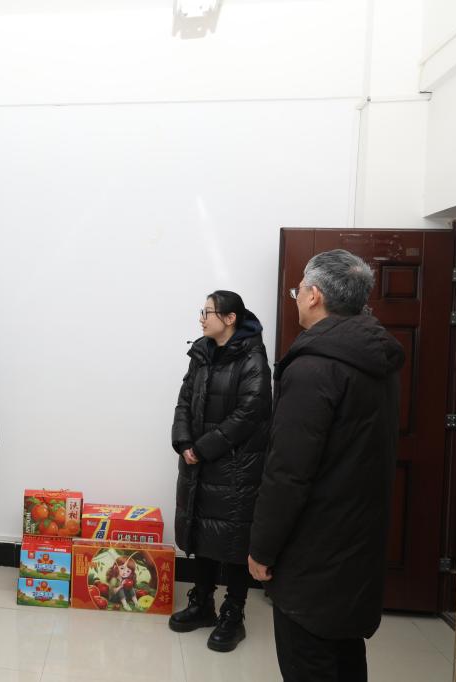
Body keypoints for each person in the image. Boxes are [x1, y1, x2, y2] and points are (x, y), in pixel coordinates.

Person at [248, 249, 404, 681]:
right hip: (356, 541)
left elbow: (288, 473)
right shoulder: (374, 356)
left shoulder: (315, 367)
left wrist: (262, 548)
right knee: (345, 656)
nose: (296, 297)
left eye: (298, 290)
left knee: (310, 660)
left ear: (314, 295)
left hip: (313, 552)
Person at [169, 290, 271, 652]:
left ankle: (233, 613)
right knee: (201, 532)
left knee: (234, 539)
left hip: (235, 467)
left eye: (208, 312)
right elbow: (184, 400)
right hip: (198, 462)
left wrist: (203, 448)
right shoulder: (201, 352)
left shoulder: (252, 357)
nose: (202, 318)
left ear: (230, 319)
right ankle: (202, 604)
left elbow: (250, 413)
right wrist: (184, 442)